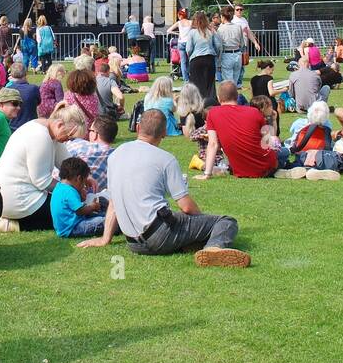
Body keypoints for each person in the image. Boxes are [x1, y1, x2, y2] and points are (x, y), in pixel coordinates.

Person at [77, 110, 249, 267]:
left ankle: (193, 242)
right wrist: (204, 222)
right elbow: (186, 206)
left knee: (182, 221)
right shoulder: (165, 159)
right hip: (158, 235)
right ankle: (213, 249)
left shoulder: (115, 154)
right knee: (225, 222)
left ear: (138, 128)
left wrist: (105, 238)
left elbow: (114, 202)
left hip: (133, 243)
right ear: (164, 132)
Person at [0, 104, 88, 231]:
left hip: (5, 195)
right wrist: (73, 190)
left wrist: (86, 177)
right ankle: (11, 224)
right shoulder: (40, 136)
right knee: (71, 213)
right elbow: (42, 181)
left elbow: (67, 164)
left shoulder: (48, 131)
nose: (68, 141)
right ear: (59, 125)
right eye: (69, 136)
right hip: (16, 198)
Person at [199, 81, 276, 179]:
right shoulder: (254, 112)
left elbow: (213, 144)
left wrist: (207, 174)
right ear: (237, 96)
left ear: (218, 97)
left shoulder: (213, 113)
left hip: (239, 169)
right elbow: (268, 141)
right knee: (283, 151)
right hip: (266, 166)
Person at [51, 156, 105, 238]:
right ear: (79, 178)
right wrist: (92, 207)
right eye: (84, 182)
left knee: (99, 212)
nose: (84, 186)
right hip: (74, 228)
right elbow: (80, 211)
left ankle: (108, 215)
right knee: (103, 222)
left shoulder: (60, 187)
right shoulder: (69, 191)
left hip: (66, 227)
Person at [65, 114, 117, 197]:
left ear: (95, 134)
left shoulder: (78, 145)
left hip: (62, 195)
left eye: (90, 130)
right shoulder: (117, 157)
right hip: (94, 201)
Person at [181, 12, 221, 106]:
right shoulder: (211, 31)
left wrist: (190, 56)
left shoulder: (192, 32)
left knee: (196, 84)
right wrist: (215, 54)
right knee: (210, 84)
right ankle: (211, 104)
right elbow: (218, 45)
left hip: (196, 60)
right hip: (209, 59)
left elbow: (188, 49)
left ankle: (196, 103)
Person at [216, 5, 247, 87]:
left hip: (226, 55)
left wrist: (218, 61)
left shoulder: (220, 29)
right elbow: (242, 43)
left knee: (228, 83)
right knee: (235, 81)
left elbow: (219, 46)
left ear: (222, 17)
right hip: (237, 54)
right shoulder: (238, 27)